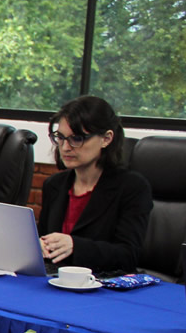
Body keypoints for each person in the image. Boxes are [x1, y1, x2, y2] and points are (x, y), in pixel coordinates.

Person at [39, 96, 152, 274]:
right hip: (56, 280)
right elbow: (44, 236)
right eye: (60, 137)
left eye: (76, 138)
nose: (65, 147)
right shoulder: (54, 184)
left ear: (106, 138)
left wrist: (76, 246)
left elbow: (128, 256)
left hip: (101, 285)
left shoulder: (132, 187)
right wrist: (38, 244)